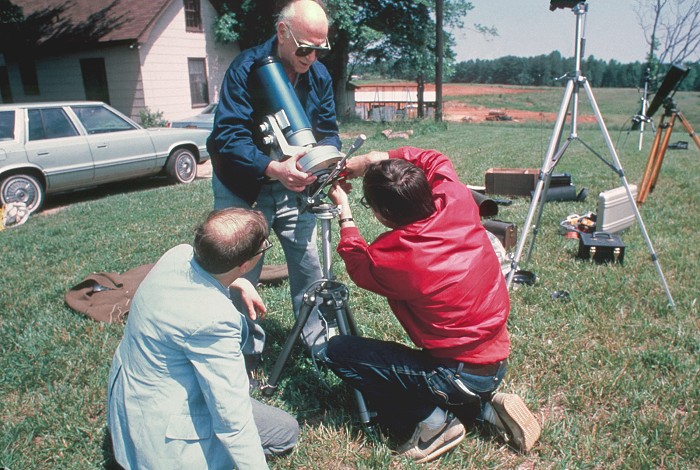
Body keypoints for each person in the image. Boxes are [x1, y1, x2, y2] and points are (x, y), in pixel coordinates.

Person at [325, 147, 541, 464]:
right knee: (449, 377)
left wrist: (343, 209)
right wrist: (376, 159)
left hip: (454, 373)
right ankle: (485, 407)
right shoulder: (456, 198)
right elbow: (434, 158)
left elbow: (359, 266)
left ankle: (434, 422)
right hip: (494, 361)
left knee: (339, 351)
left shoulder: (400, 255)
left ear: (382, 213)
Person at [107, 208, 299, 469]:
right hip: (164, 444)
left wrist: (236, 282)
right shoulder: (215, 320)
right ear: (244, 265)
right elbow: (233, 422)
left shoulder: (177, 255)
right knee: (285, 432)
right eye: (264, 246)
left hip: (132, 407)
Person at [207, 0, 339, 355]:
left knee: (308, 262)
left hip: (295, 184)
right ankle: (240, 350)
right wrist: (273, 168)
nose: (311, 58)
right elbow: (228, 136)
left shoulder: (318, 76)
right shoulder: (246, 68)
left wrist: (324, 163)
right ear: (283, 32)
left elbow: (328, 131)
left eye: (319, 50)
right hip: (244, 185)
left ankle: (318, 341)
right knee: (240, 269)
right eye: (305, 49)